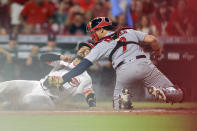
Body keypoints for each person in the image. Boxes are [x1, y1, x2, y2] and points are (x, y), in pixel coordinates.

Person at [55, 17, 183, 110]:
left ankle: (124, 100)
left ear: (101, 30)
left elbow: (82, 66)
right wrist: (157, 52)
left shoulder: (101, 45)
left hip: (124, 71)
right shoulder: (128, 31)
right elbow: (152, 39)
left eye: (94, 31)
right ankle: (167, 92)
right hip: (144, 64)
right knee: (177, 93)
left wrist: (64, 79)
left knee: (118, 107)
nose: (92, 34)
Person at [0, 41, 96, 110]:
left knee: (28, 99)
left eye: (88, 50)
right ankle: (10, 104)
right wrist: (60, 57)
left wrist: (92, 105)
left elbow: (89, 93)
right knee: (7, 85)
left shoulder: (85, 77)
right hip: (37, 85)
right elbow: (42, 57)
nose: (83, 50)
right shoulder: (63, 61)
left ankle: (11, 105)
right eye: (82, 48)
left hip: (49, 99)